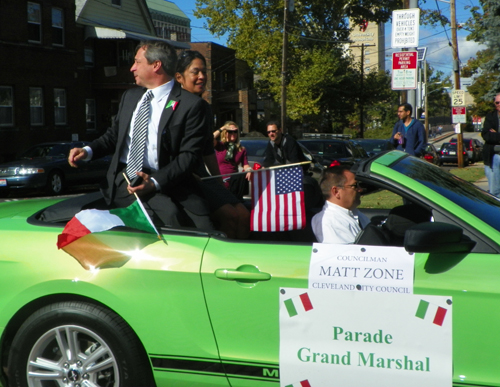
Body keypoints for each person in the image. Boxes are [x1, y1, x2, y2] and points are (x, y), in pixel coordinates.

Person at [68, 40, 212, 229]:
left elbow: (189, 156)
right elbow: (113, 136)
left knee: (205, 230)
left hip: (170, 180)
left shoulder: (191, 105)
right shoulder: (130, 97)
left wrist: (154, 182)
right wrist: (87, 151)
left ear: (156, 65)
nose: (132, 68)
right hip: (127, 178)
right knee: (171, 218)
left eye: (137, 62)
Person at [175, 50, 250, 238]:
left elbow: (208, 148)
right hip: (185, 176)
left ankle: (242, 261)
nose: (202, 77)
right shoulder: (172, 106)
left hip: (203, 175)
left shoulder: (204, 107)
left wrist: (218, 179)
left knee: (243, 213)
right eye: (195, 72)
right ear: (179, 77)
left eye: (204, 72)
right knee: (230, 215)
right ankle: (225, 262)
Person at [312, 165, 370, 244]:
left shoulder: (354, 213)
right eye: (355, 185)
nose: (360, 189)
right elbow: (349, 254)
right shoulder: (330, 221)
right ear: (336, 191)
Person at [213, 121, 252, 199]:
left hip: (234, 184)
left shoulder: (241, 149)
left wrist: (249, 169)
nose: (233, 134)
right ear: (225, 133)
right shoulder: (220, 146)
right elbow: (210, 138)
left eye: (235, 132)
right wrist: (223, 128)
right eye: (230, 132)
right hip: (220, 183)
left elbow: (245, 164)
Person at [481, 93, 500, 197]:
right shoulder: (490, 117)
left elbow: (492, 136)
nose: (498, 104)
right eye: (497, 102)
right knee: (494, 191)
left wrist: (496, 135)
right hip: (492, 157)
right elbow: (486, 135)